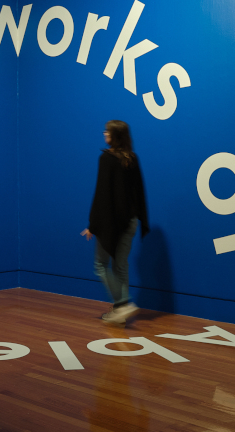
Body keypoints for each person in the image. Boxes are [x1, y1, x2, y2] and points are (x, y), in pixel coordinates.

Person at [81, 120, 149, 325]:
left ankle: (122, 303)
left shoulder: (106, 159)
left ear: (114, 135)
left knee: (100, 265)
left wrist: (93, 225)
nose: (104, 133)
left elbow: (101, 194)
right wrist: (140, 220)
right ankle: (120, 312)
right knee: (121, 266)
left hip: (110, 223)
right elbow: (139, 192)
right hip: (130, 221)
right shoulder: (132, 158)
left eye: (107, 131)